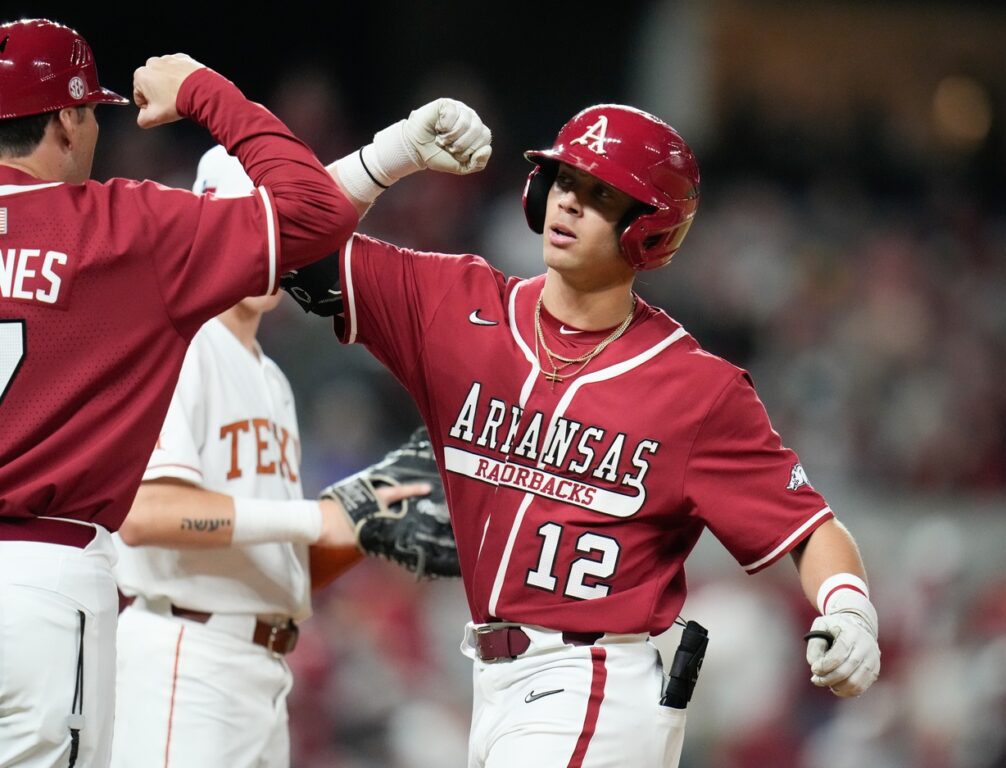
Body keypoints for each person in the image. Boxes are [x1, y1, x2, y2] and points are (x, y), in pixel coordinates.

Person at [285, 100, 882, 767]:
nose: (568, 204)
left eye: (599, 195)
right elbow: (284, 240)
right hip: (492, 680)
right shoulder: (457, 306)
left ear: (648, 230)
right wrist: (390, 152)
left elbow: (807, 528)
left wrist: (848, 608)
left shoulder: (695, 389)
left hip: (600, 684)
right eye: (563, 181)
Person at [0, 18, 356, 767]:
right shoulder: (116, 228)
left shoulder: (260, 372)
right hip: (43, 576)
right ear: (66, 117)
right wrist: (203, 90)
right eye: (90, 111)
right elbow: (316, 211)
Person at [107, 146, 445, 767]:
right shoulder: (179, 344)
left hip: (259, 667)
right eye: (260, 221)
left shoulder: (273, 379)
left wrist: (366, 518)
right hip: (187, 652)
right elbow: (146, 513)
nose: (276, 245)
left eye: (286, 228)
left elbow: (274, 560)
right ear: (210, 220)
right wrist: (312, 518)